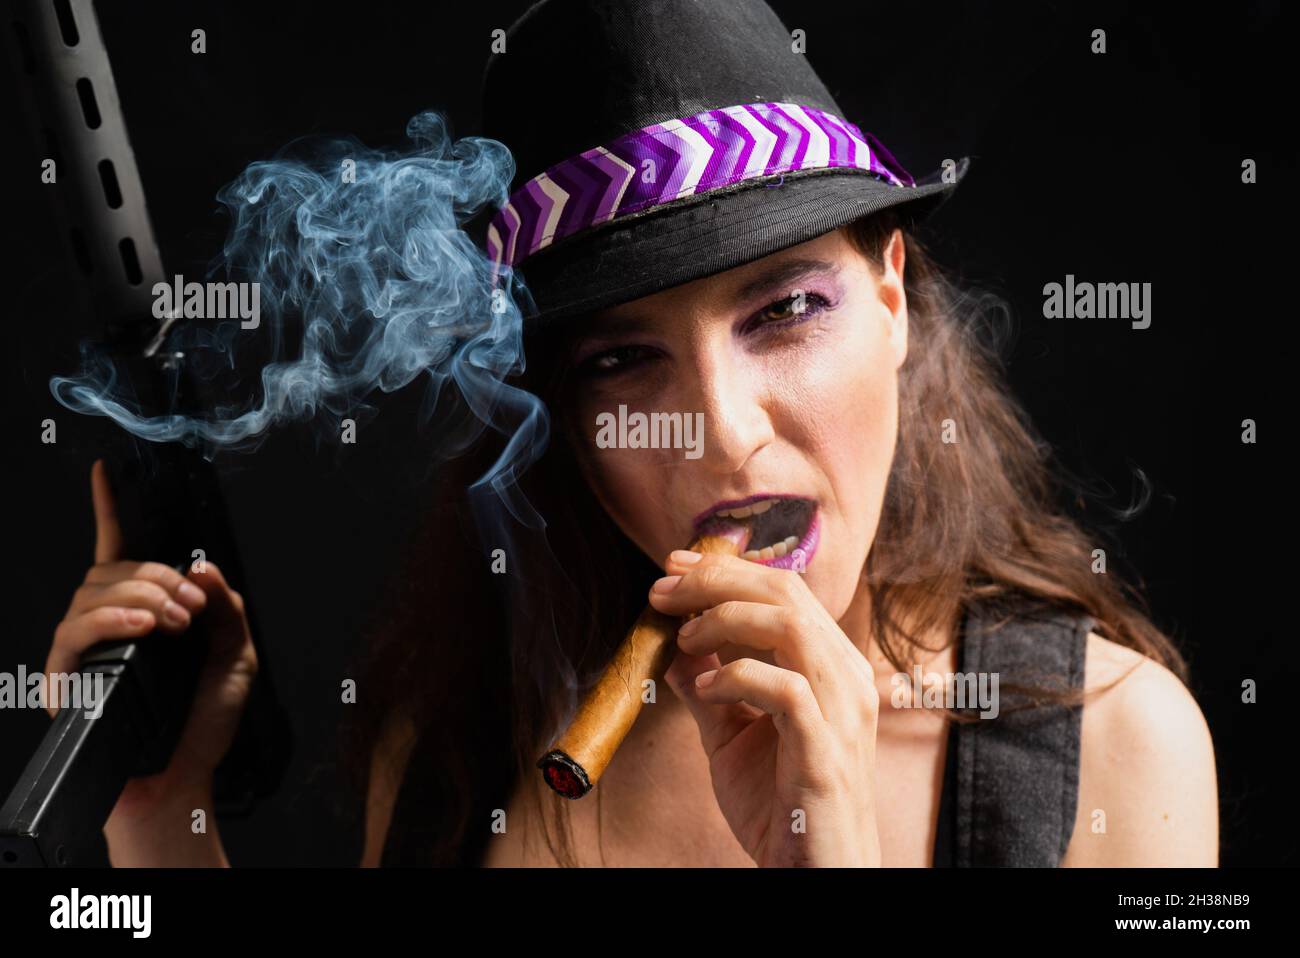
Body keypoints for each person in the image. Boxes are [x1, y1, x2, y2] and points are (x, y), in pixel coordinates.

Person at [43, 0, 1218, 867]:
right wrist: (161, 815)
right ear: (559, 419)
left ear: (893, 297)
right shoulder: (461, 753)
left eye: (785, 311)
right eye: (618, 360)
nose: (718, 433)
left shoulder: (1117, 749)